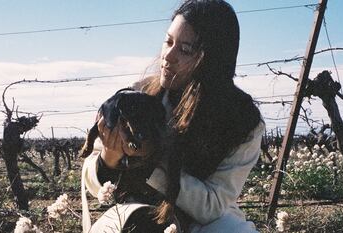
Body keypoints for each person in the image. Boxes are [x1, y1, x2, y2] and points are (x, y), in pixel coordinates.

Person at [81, 0, 265, 232]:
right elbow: (94, 182)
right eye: (168, 42)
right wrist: (109, 157)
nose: (168, 56)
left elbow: (212, 206)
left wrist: (151, 162)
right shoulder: (138, 96)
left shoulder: (242, 122)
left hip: (205, 224)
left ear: (213, 59)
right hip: (137, 212)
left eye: (185, 49)